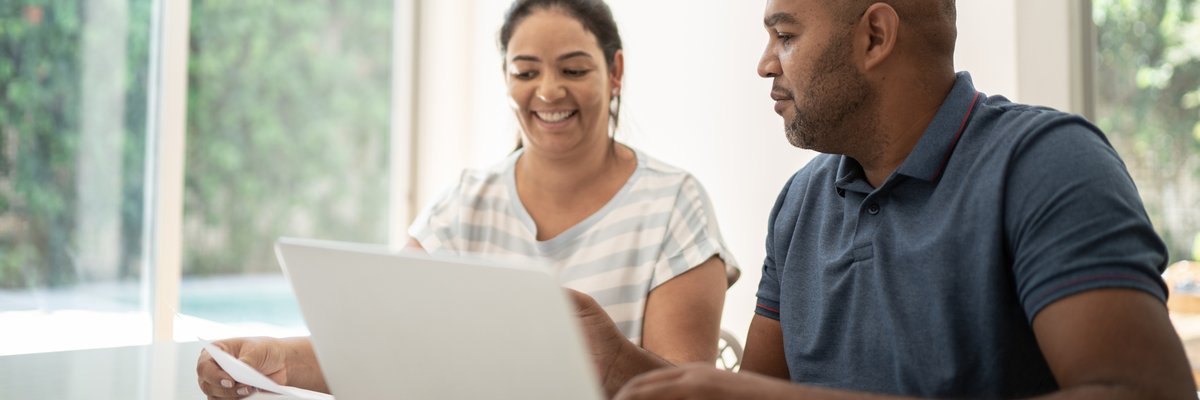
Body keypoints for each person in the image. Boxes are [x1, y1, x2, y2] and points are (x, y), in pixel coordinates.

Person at [588, 0, 1197, 399]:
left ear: (875, 36)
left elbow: (1141, 393)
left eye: (784, 34)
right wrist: (620, 367)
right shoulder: (800, 203)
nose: (764, 63)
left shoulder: (1046, 163)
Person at [195, 0, 737, 398]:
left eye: (573, 69)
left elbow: (688, 391)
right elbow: (382, 341)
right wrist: (270, 360)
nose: (548, 91)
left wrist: (610, 360)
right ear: (506, 80)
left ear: (614, 73)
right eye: (526, 72)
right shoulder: (465, 202)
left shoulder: (673, 202)